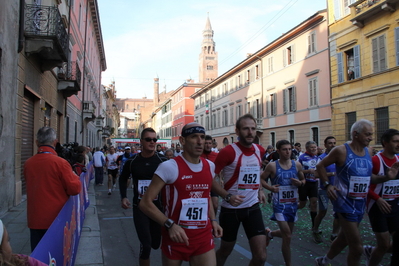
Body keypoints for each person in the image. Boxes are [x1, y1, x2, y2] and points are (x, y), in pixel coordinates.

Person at [315, 119, 399, 266]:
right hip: (344, 203)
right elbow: (320, 165)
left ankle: (324, 260)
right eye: (367, 134)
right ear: (355, 134)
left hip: (360, 204)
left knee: (343, 239)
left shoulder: (369, 151)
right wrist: (328, 185)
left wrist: (386, 177)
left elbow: (369, 178)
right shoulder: (341, 151)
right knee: (357, 247)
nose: (371, 137)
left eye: (371, 134)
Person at [139, 123, 222, 266]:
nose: (199, 141)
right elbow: (145, 203)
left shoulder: (210, 166)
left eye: (202, 137)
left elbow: (205, 196)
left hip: (203, 237)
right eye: (194, 137)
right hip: (175, 237)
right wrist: (170, 225)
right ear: (182, 141)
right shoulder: (168, 167)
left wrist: (213, 220)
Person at [212, 114, 267, 266]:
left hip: (252, 207)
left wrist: (260, 189)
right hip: (231, 210)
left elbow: (256, 171)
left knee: (261, 256)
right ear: (237, 131)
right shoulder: (228, 152)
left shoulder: (259, 150)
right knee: (225, 251)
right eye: (246, 129)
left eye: (253, 129)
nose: (250, 132)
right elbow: (210, 179)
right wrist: (227, 196)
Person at [24, 127, 81, 251]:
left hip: (35, 218)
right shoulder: (61, 163)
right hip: (56, 218)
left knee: (38, 256)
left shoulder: (28, 163)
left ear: (36, 143)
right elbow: (74, 189)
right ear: (55, 142)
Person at [119, 128, 167, 266]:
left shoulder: (162, 160)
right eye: (148, 139)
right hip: (140, 207)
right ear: (141, 142)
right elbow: (123, 178)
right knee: (146, 246)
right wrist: (123, 197)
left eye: (154, 140)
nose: (152, 142)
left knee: (156, 244)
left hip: (159, 207)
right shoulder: (132, 161)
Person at [261, 140, 305, 266]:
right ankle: (288, 263)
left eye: (290, 149)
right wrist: (270, 188)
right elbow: (262, 179)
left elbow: (303, 180)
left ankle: (269, 234)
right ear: (278, 151)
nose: (288, 152)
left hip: (292, 204)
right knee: (288, 236)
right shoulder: (272, 166)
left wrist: (300, 183)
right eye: (285, 149)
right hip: (279, 204)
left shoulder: (296, 165)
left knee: (288, 234)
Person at [364, 129, 399, 266]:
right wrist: (378, 199)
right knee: (384, 244)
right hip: (377, 207)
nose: (398, 144)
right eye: (395, 141)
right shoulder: (375, 161)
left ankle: (372, 251)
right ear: (385, 143)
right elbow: (364, 185)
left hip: (394, 206)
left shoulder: (398, 160)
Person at [312, 136, 340, 243]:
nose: (332, 145)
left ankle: (334, 234)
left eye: (334, 143)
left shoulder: (339, 157)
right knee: (323, 212)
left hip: (337, 189)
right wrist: (332, 174)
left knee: (338, 212)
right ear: (325, 145)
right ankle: (315, 230)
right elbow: (316, 174)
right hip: (324, 189)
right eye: (330, 143)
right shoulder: (321, 158)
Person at [297, 141, 320, 240]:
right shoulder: (301, 157)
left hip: (314, 183)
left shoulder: (317, 158)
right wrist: (307, 171)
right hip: (304, 183)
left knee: (314, 203)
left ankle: (314, 227)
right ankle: (291, 210)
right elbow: (297, 171)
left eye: (315, 147)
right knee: (302, 204)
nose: (314, 149)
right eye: (311, 147)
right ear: (307, 148)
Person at [201, 135, 219, 215]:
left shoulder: (216, 155)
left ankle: (213, 221)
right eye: (206, 143)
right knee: (204, 206)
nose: (208, 145)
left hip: (213, 183)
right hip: (201, 183)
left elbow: (219, 169)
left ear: (212, 144)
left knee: (215, 205)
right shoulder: (198, 155)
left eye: (209, 143)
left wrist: (221, 179)